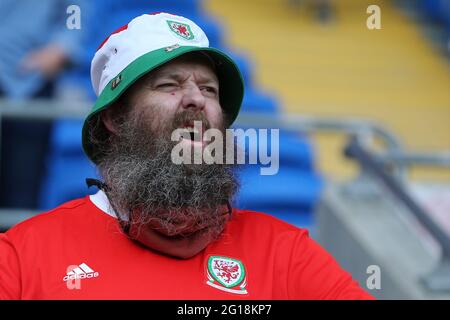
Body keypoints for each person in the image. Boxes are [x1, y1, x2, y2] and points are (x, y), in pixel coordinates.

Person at [0, 13, 373, 300]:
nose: (197, 99)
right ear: (114, 117)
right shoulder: (23, 255)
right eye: (169, 85)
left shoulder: (286, 253)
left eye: (209, 90)